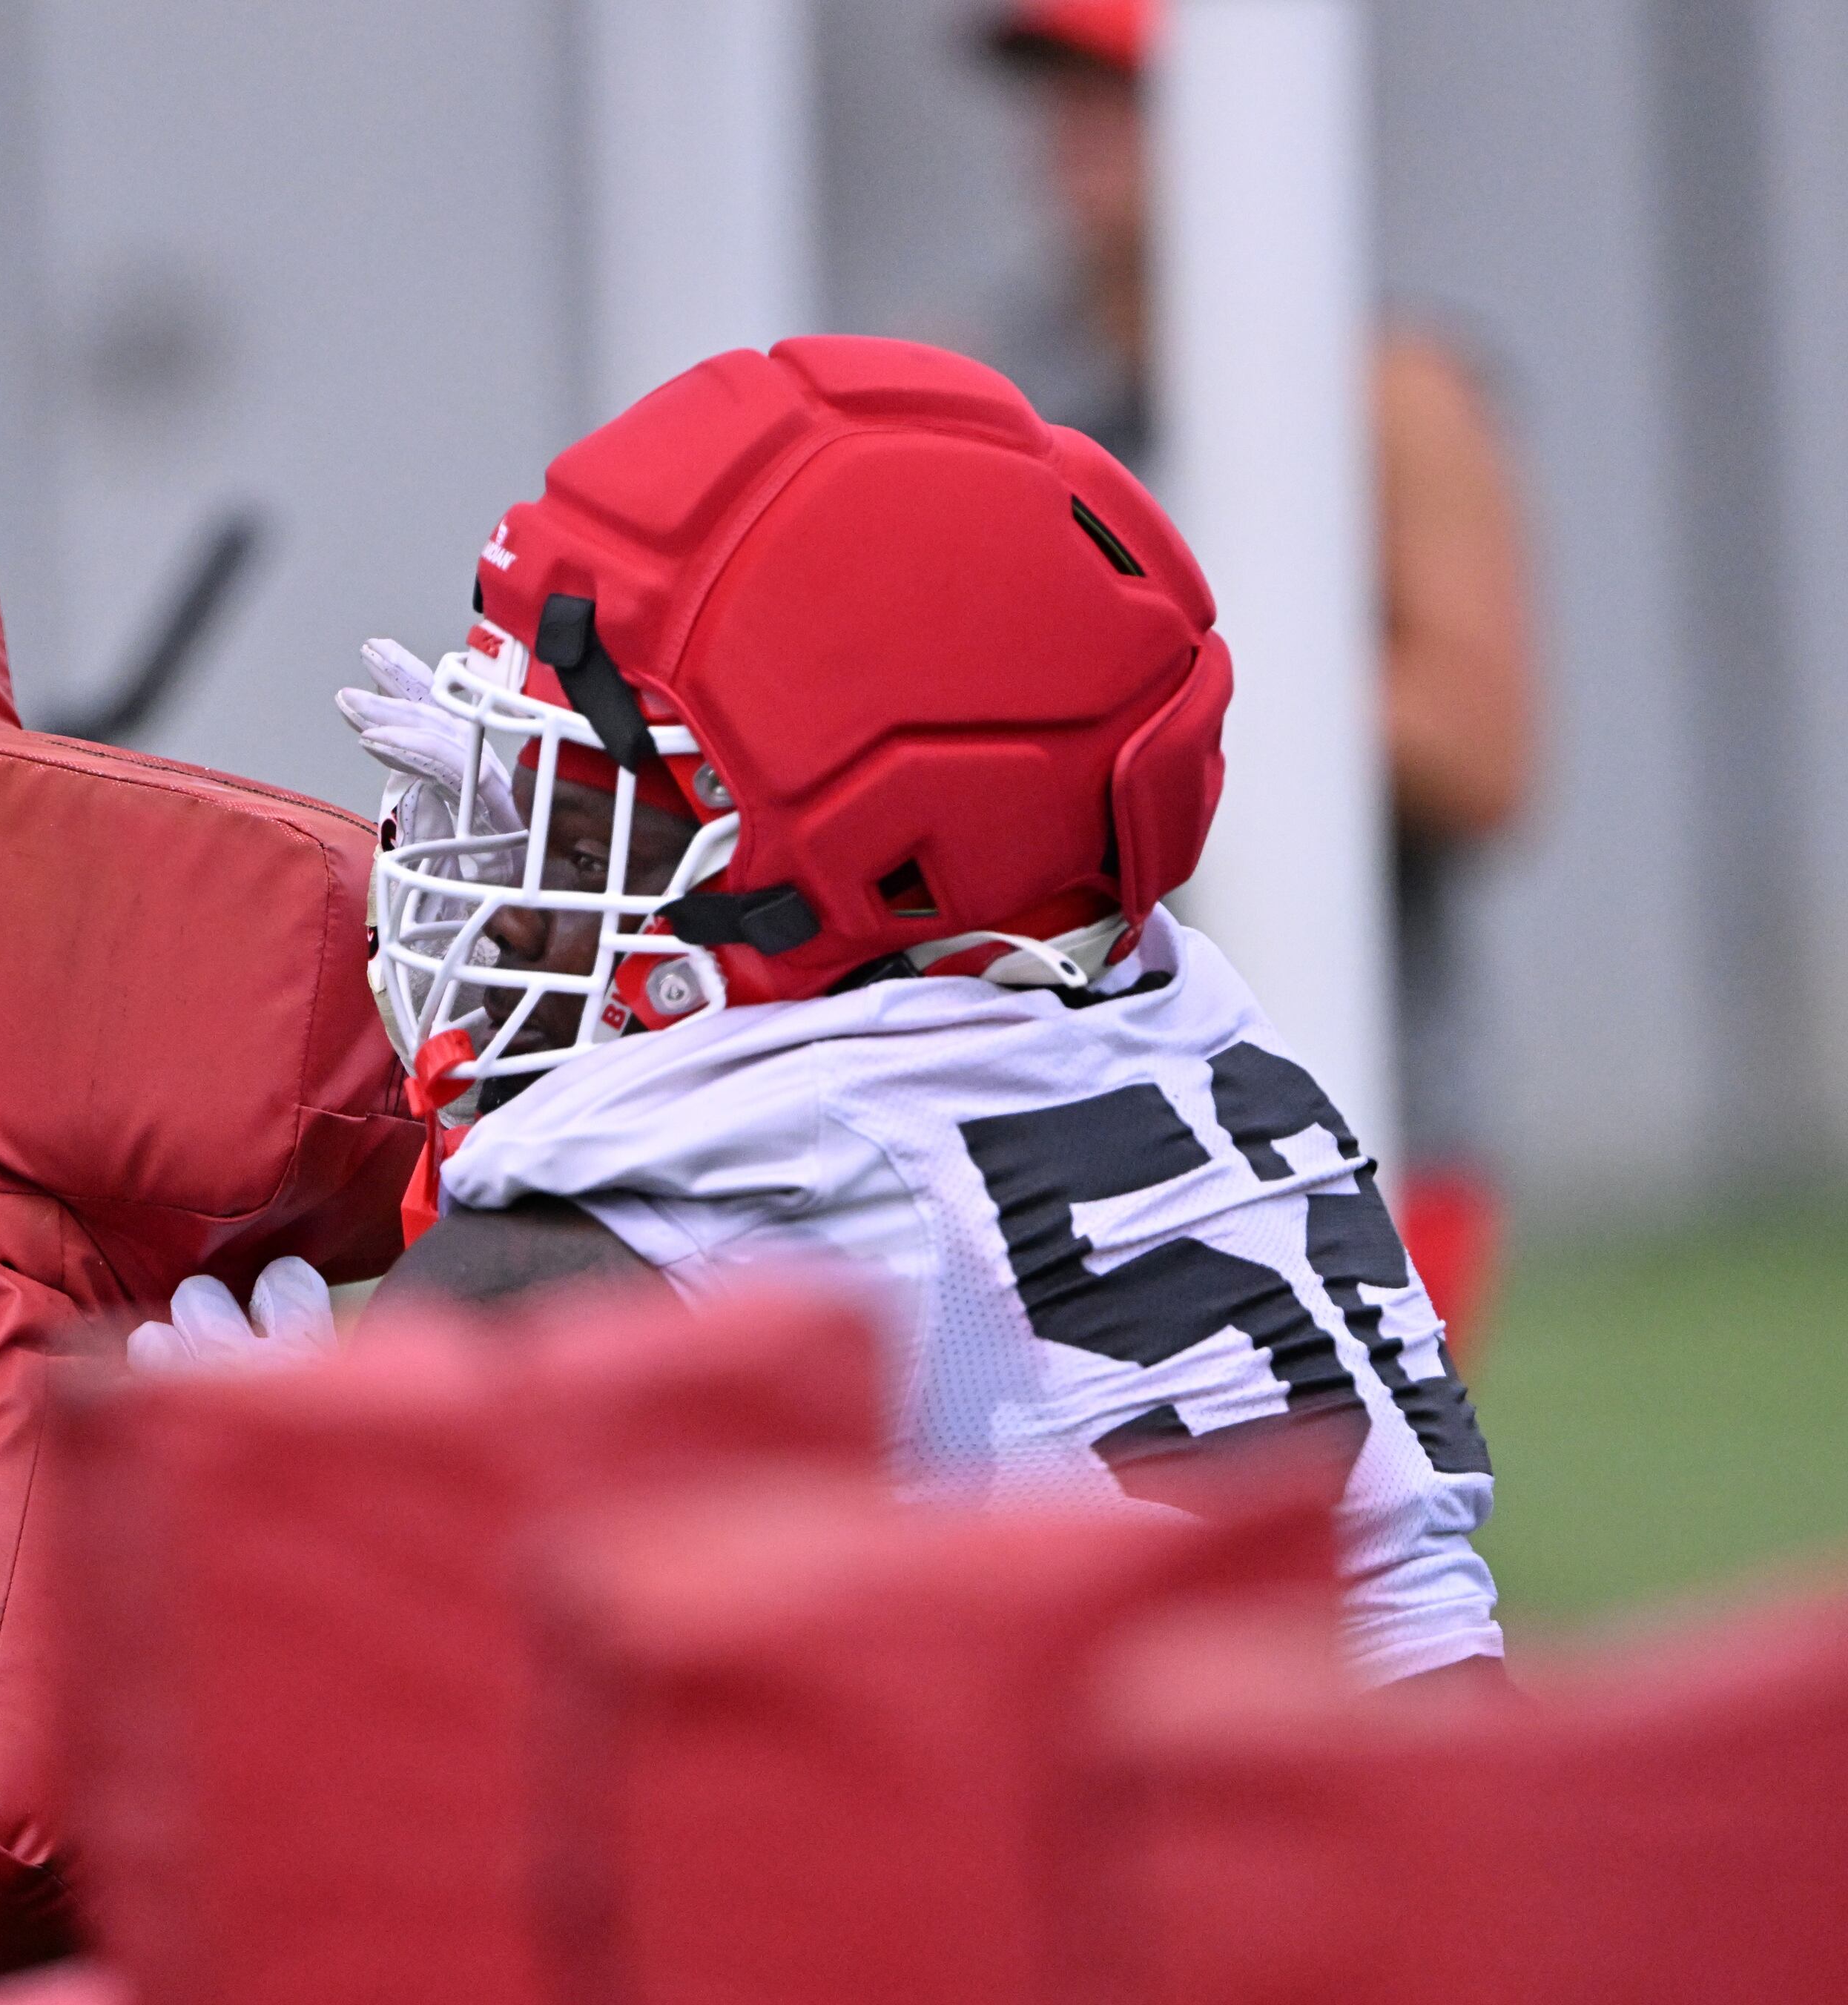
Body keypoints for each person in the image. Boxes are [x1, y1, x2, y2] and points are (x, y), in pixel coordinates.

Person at [136, 335, 1505, 1694]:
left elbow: (382, 1822)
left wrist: (289, 1524)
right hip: (1443, 1835)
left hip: (1160, 1897)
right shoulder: (1210, 1043)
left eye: (583, 825)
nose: (504, 911)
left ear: (873, 863)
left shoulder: (596, 1244)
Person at [986, 0, 1539, 1351]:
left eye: (1121, 92)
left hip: (1355, 1093)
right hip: (1071, 1095)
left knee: (1335, 1547)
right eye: (1062, 91)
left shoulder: (1386, 387)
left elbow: (1482, 751)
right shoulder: (1011, 391)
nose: (1079, 133)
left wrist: (1144, 680)